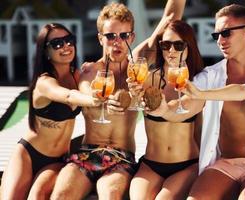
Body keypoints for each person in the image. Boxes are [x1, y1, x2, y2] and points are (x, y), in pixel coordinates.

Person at [149, 4, 245, 200]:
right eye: (216, 35)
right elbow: (187, 105)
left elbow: (244, 90)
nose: (220, 41)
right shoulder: (211, 75)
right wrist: (164, 111)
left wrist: (201, 94)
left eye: (226, 33)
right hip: (225, 163)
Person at [50, 1, 186, 199]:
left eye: (123, 35)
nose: (117, 42)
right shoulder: (89, 72)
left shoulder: (138, 65)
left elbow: (170, 19)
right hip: (88, 153)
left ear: (131, 37)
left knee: (111, 195)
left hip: (121, 158)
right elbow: (89, 94)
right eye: (110, 36)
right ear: (100, 38)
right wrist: (102, 100)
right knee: (60, 195)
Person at [0, 23, 100, 200]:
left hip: (57, 159)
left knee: (37, 195)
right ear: (46, 51)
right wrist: (93, 100)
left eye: (69, 40)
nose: (66, 46)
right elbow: (69, 96)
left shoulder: (77, 76)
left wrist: (93, 69)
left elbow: (100, 78)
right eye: (57, 43)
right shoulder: (44, 82)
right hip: (28, 153)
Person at [128, 20, 203, 199]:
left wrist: (162, 110)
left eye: (178, 45)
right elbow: (131, 59)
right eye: (165, 44)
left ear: (189, 47)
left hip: (186, 164)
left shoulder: (198, 83)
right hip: (150, 164)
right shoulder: (145, 78)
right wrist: (134, 94)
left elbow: (182, 109)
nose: (171, 51)